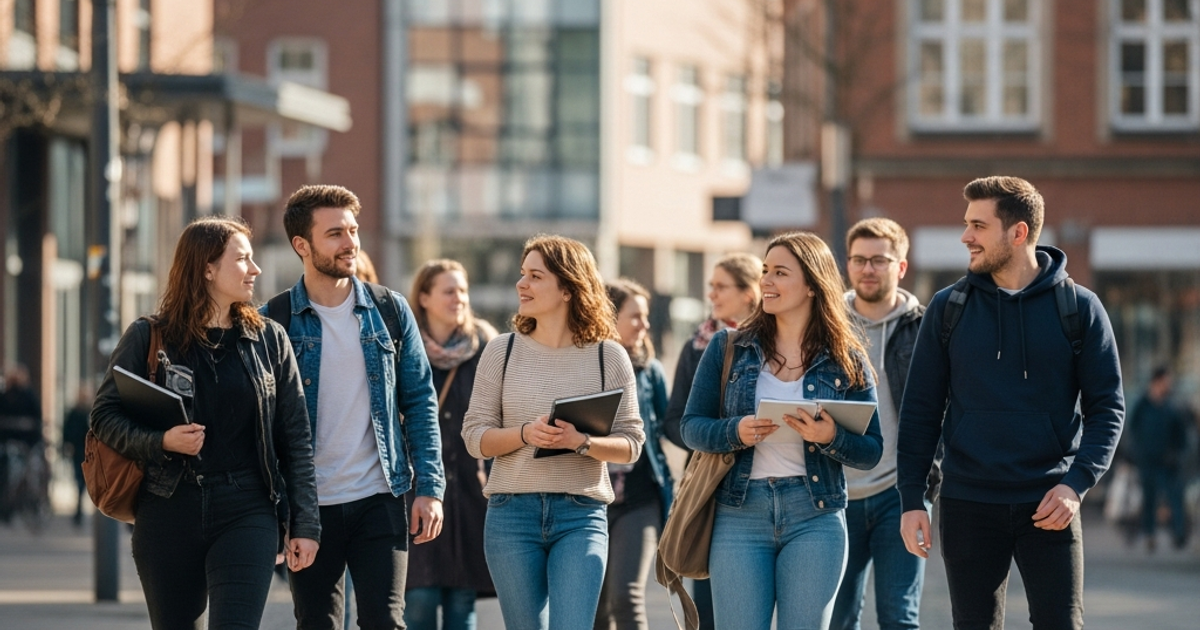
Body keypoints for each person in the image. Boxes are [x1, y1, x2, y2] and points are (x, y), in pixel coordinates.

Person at [897, 176, 1125, 630]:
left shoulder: (1079, 308)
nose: (966, 237)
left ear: (1017, 233)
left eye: (978, 226)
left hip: (1050, 502)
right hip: (968, 502)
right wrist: (912, 499)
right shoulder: (948, 307)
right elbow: (921, 410)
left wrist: (1076, 484)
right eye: (967, 225)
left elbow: (1107, 408)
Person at [90, 216, 321, 629]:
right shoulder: (148, 336)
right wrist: (161, 441)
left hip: (248, 509)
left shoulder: (270, 339)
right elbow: (104, 416)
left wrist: (304, 522)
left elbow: (296, 437)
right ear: (206, 268)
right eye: (243, 259)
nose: (256, 270)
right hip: (168, 507)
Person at [681, 231, 884, 630]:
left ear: (811, 285)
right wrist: (735, 431)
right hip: (739, 514)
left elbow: (871, 449)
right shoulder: (728, 346)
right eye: (764, 271)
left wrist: (830, 438)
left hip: (815, 515)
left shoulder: (847, 359)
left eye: (780, 273)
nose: (767, 282)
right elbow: (691, 427)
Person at [267, 184, 445, 630]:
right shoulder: (277, 320)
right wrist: (277, 513)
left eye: (353, 230)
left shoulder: (389, 310)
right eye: (335, 234)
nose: (350, 243)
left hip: (379, 497)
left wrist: (430, 487)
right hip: (310, 506)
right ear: (301, 245)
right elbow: (265, 427)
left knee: (386, 622)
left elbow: (420, 400)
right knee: (318, 624)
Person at [462, 234, 646, 630]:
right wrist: (526, 434)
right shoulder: (501, 350)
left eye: (535, 276)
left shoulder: (608, 355)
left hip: (580, 514)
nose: (521, 284)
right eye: (522, 274)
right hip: (511, 514)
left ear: (567, 288)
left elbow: (631, 445)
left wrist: (580, 443)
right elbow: (475, 435)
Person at [831, 218, 927, 630]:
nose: (867, 268)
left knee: (899, 618)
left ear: (901, 267)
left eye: (878, 260)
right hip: (833, 494)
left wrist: (925, 487)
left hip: (899, 495)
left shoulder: (924, 328)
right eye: (858, 260)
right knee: (837, 619)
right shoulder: (827, 327)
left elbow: (941, 409)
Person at [661, 252, 760, 629]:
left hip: (759, 485)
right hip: (706, 487)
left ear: (749, 293)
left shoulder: (775, 348)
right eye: (711, 286)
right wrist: (714, 437)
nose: (712, 294)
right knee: (705, 603)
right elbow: (674, 422)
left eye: (721, 286)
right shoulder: (697, 346)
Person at [404, 259, 499, 630]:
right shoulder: (404, 349)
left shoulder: (485, 347)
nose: (459, 298)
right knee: (420, 601)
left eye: (462, 290)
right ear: (424, 298)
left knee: (462, 603)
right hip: (420, 493)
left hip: (469, 496)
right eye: (448, 290)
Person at [594, 279, 673, 630]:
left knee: (626, 597)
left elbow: (671, 426)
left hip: (639, 500)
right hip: (589, 499)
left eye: (645, 316)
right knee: (594, 610)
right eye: (635, 316)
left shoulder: (650, 370)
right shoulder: (584, 365)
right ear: (609, 317)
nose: (644, 325)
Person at [1128, 366, 1191, 551]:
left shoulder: (1173, 407)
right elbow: (1133, 430)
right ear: (1156, 382)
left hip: (1168, 463)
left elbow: (1182, 436)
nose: (1167, 386)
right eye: (1165, 381)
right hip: (1146, 462)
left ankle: (1178, 535)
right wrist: (1134, 454)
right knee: (1149, 500)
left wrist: (1177, 455)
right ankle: (1150, 535)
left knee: (1174, 498)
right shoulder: (1142, 405)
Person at [62, 385, 92, 528]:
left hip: (87, 453)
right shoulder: (76, 413)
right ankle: (78, 511)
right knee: (80, 482)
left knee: (83, 482)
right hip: (80, 452)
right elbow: (67, 432)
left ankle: (79, 511)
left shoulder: (90, 413)